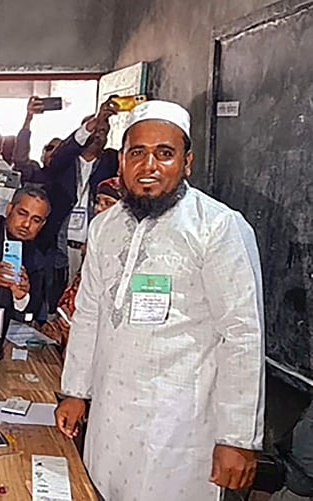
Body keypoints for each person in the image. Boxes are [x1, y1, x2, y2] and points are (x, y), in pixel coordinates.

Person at [55, 101, 264, 499]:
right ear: (121, 163)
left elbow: (242, 334)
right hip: (110, 420)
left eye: (164, 153)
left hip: (178, 430)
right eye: (137, 152)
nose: (149, 164)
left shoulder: (218, 227)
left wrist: (237, 437)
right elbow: (89, 316)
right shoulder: (104, 227)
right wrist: (76, 391)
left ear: (186, 163)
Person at [41, 99, 120, 309]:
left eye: (104, 131)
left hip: (92, 243)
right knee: (57, 297)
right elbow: (62, 152)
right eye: (96, 130)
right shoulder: (65, 162)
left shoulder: (110, 162)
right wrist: (95, 120)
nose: (99, 136)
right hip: (61, 243)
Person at [42, 177, 122, 348]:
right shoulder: (98, 241)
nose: (99, 208)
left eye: (108, 203)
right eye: (98, 202)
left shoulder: (126, 251)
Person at [0, 186, 52, 365]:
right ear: (9, 210)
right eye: (22, 213)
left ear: (42, 225)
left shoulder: (37, 258)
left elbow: (33, 311)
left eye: (36, 220)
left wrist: (21, 296)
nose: (26, 224)